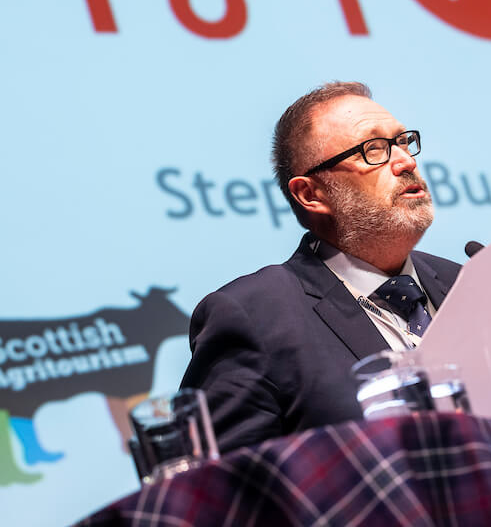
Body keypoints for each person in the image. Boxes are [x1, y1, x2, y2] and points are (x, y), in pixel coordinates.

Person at [180, 82, 462, 453]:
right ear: (311, 194)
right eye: (373, 149)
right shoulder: (254, 316)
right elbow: (223, 492)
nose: (406, 161)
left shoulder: (463, 281)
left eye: (403, 142)